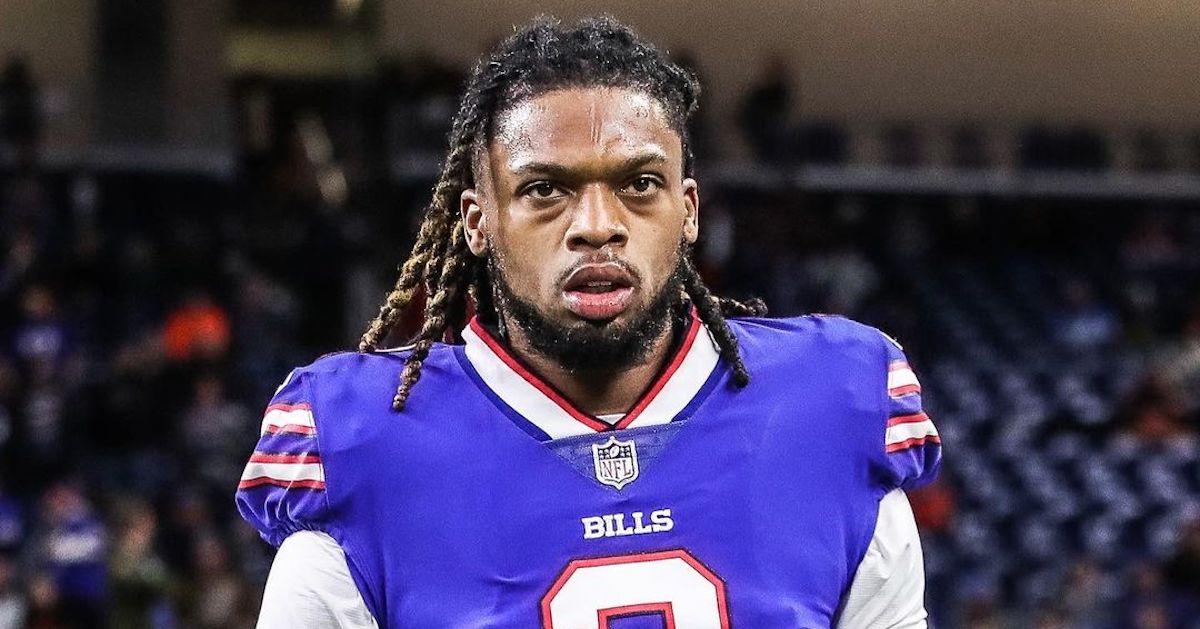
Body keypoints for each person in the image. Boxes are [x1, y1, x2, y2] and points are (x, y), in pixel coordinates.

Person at [236, 16, 940, 628]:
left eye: (639, 184)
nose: (597, 227)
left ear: (687, 210)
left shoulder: (827, 408)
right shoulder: (364, 444)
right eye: (545, 190)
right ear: (478, 223)